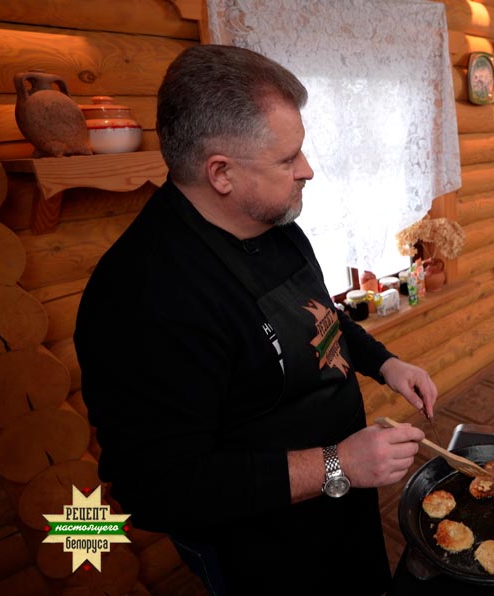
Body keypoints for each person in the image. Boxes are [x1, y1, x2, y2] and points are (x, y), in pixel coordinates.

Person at [74, 45, 436, 595]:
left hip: (339, 495)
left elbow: (322, 318)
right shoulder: (144, 297)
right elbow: (159, 487)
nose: (307, 171)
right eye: (288, 159)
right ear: (221, 172)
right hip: (260, 543)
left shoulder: (274, 223)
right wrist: (337, 464)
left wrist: (384, 362)